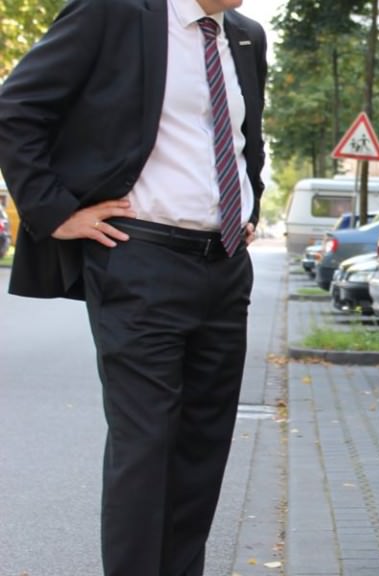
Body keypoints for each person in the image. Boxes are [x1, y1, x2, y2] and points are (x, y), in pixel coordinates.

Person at [0, 0, 267, 574]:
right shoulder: (116, 13)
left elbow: (247, 140)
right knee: (145, 446)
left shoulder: (246, 37)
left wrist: (250, 204)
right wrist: (53, 211)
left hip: (224, 266)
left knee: (202, 447)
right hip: (138, 258)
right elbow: (15, 108)